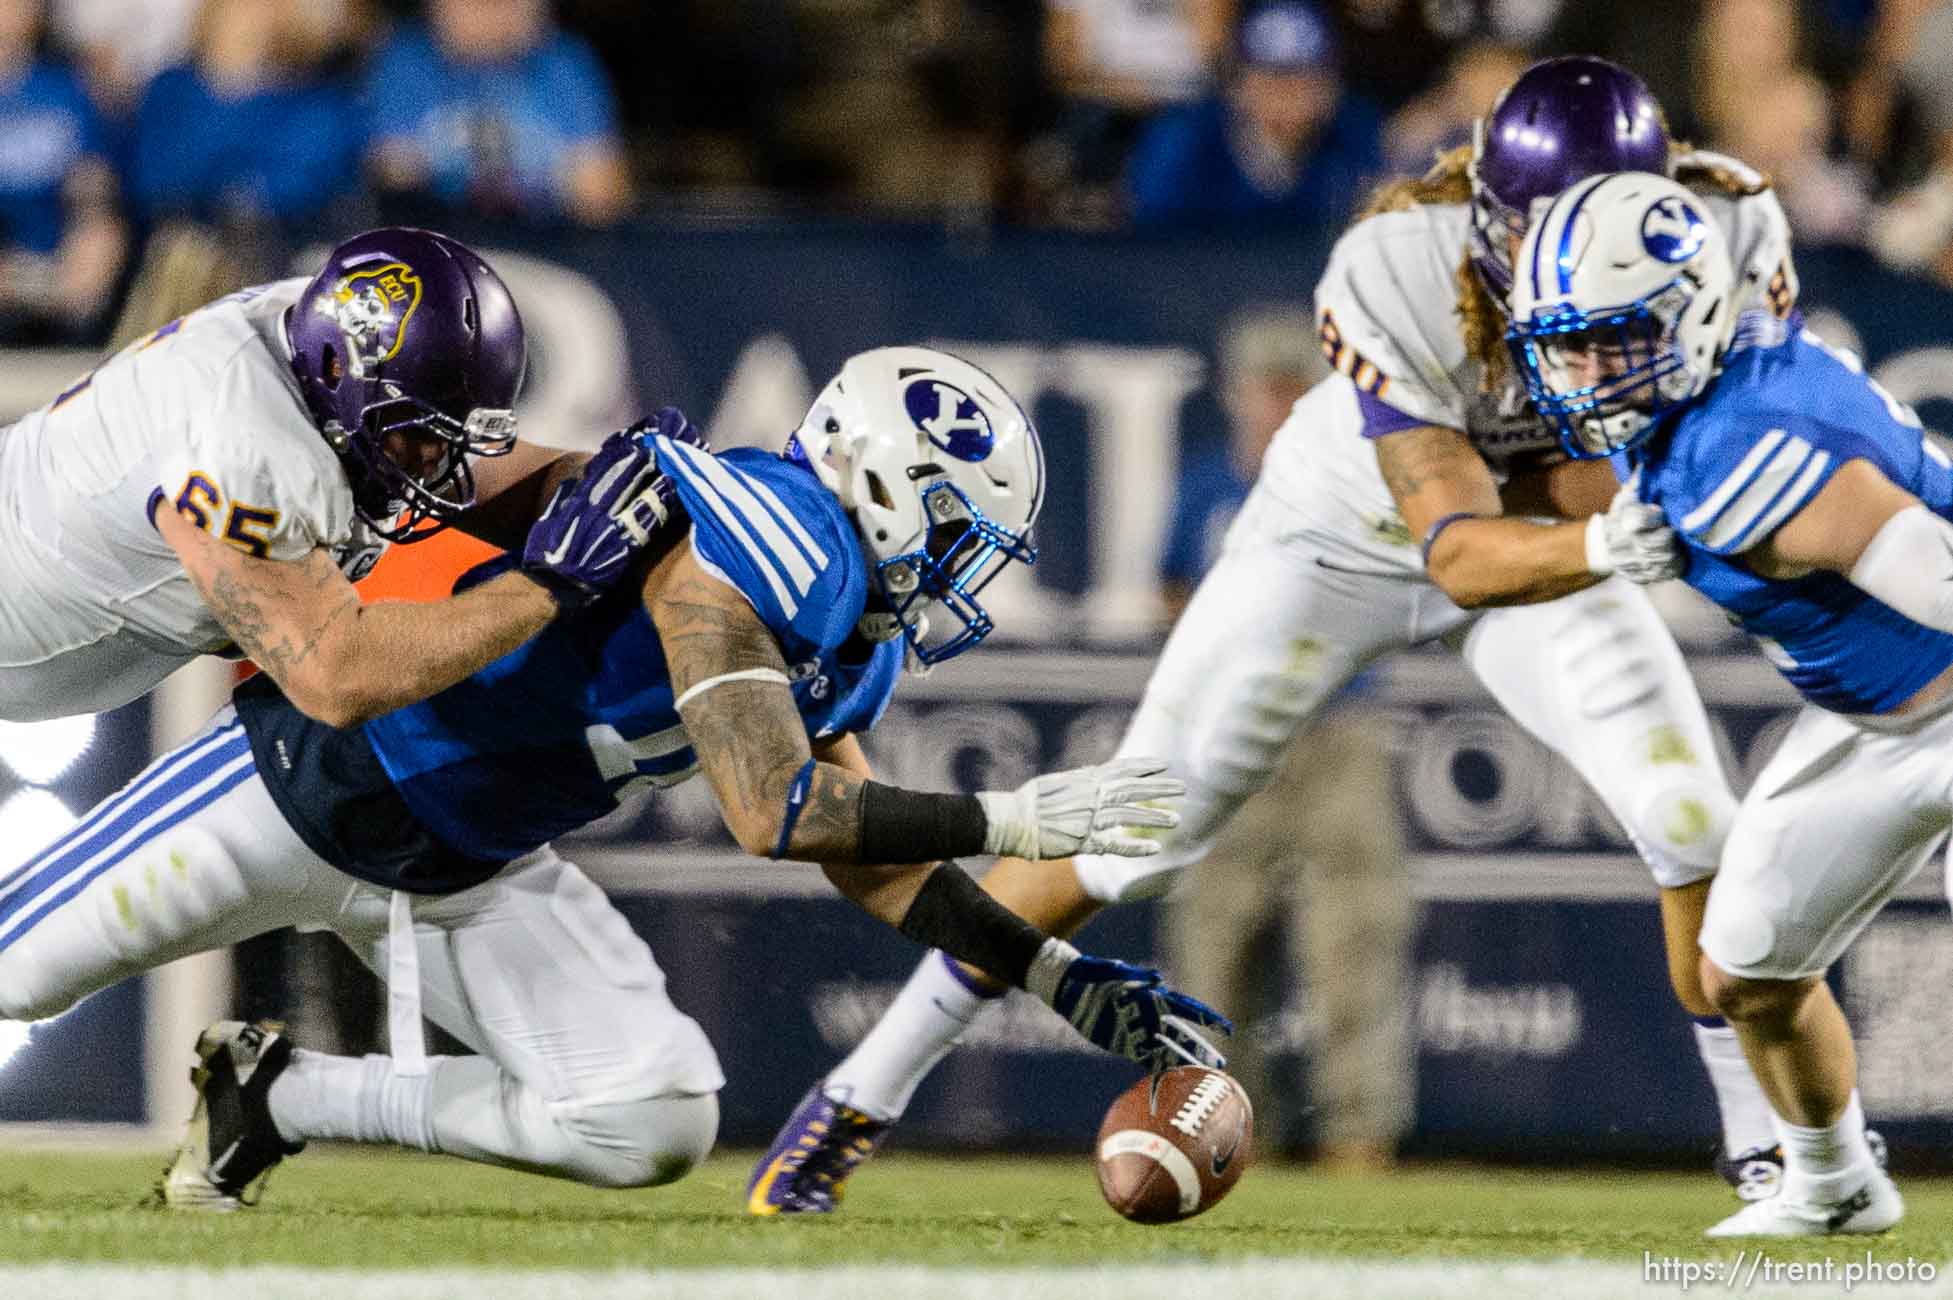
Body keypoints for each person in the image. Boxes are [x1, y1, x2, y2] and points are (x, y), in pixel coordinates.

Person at [750, 55, 1799, 1214]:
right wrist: (1636, 522)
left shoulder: (1736, 223)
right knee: (1131, 826)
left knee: (1693, 814)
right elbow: (1459, 540)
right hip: (1345, 538)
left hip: (1546, 538)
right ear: (1494, 213)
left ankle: (1760, 1143)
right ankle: (859, 1095)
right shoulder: (1400, 262)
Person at [0, 346, 1223, 1210]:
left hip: (468, 866)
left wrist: (1056, 974)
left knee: (652, 1115)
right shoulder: (766, 539)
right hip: (308, 789)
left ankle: (275, 1097)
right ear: (888, 488)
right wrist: (1008, 812)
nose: (966, 571)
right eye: (958, 530)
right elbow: (776, 809)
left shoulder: (854, 632)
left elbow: (872, 856)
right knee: (14, 970)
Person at [1507, 170, 1926, 1236]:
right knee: (1744, 968)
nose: (1593, 370)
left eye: (1620, 337)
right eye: (1574, 344)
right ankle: (1834, 1183)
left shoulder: (1743, 445)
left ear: (1693, 310)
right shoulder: (1703, 400)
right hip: (1871, 719)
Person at [0, 225, 665, 727]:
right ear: (338, 374)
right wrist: (545, 584)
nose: (436, 461)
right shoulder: (241, 440)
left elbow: (506, 478)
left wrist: (652, 480)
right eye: (420, 435)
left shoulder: (328, 342)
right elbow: (336, 678)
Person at [365, 0, 632, 227]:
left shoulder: (564, 62)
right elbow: (393, 175)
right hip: (438, 245)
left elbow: (600, 195)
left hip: (545, 250)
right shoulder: (406, 60)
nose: (493, 11)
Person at [1125, 1, 1383, 233]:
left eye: (1303, 81)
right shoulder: (1185, 139)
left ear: (1330, 87)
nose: (1286, 98)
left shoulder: (1357, 135)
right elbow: (1153, 235)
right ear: (1238, 85)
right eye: (1271, 80)